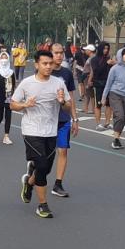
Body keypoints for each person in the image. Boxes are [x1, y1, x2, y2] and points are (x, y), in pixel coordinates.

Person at [11, 50, 71, 219]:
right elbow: (13, 105)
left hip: (50, 131)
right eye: (45, 63)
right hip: (31, 130)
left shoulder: (58, 83)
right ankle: (42, 205)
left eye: (50, 64)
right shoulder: (27, 83)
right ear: (36, 64)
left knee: (45, 168)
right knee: (43, 166)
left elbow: (67, 106)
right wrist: (25, 104)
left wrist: (62, 102)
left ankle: (29, 182)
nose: (48, 67)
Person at [50, 43, 79, 197]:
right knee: (45, 155)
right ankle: (33, 175)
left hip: (63, 119)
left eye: (61, 53)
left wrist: (75, 119)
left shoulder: (67, 74)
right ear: (50, 54)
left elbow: (71, 98)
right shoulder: (44, 71)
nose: (59, 56)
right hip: (46, 120)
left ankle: (58, 184)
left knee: (63, 150)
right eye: (56, 53)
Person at [102, 48, 125, 149]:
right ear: (120, 56)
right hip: (115, 94)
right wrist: (104, 97)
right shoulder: (114, 68)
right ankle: (116, 139)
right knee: (120, 115)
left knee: (124, 118)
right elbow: (108, 84)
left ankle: (117, 139)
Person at [87, 42, 113, 130]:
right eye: (104, 48)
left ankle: (107, 122)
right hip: (98, 84)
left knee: (109, 104)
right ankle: (98, 123)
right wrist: (106, 64)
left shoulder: (109, 58)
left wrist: (112, 64)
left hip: (108, 84)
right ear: (100, 49)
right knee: (98, 105)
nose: (106, 50)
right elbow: (96, 71)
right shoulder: (94, 59)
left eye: (107, 49)